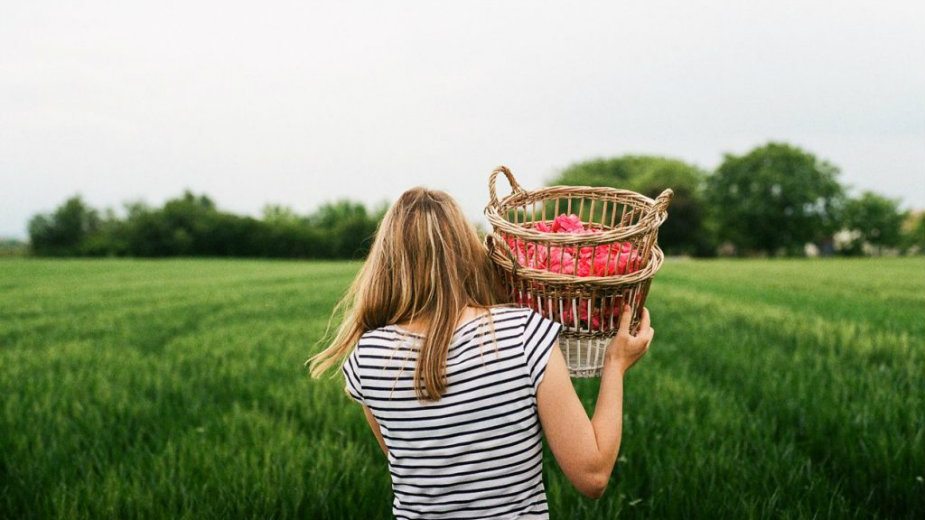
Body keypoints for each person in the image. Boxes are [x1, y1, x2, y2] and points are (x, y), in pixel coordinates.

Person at [308, 187, 654, 519]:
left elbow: (415, 464)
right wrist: (615, 364)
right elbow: (592, 476)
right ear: (467, 251)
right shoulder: (523, 333)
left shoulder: (367, 356)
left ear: (386, 262)